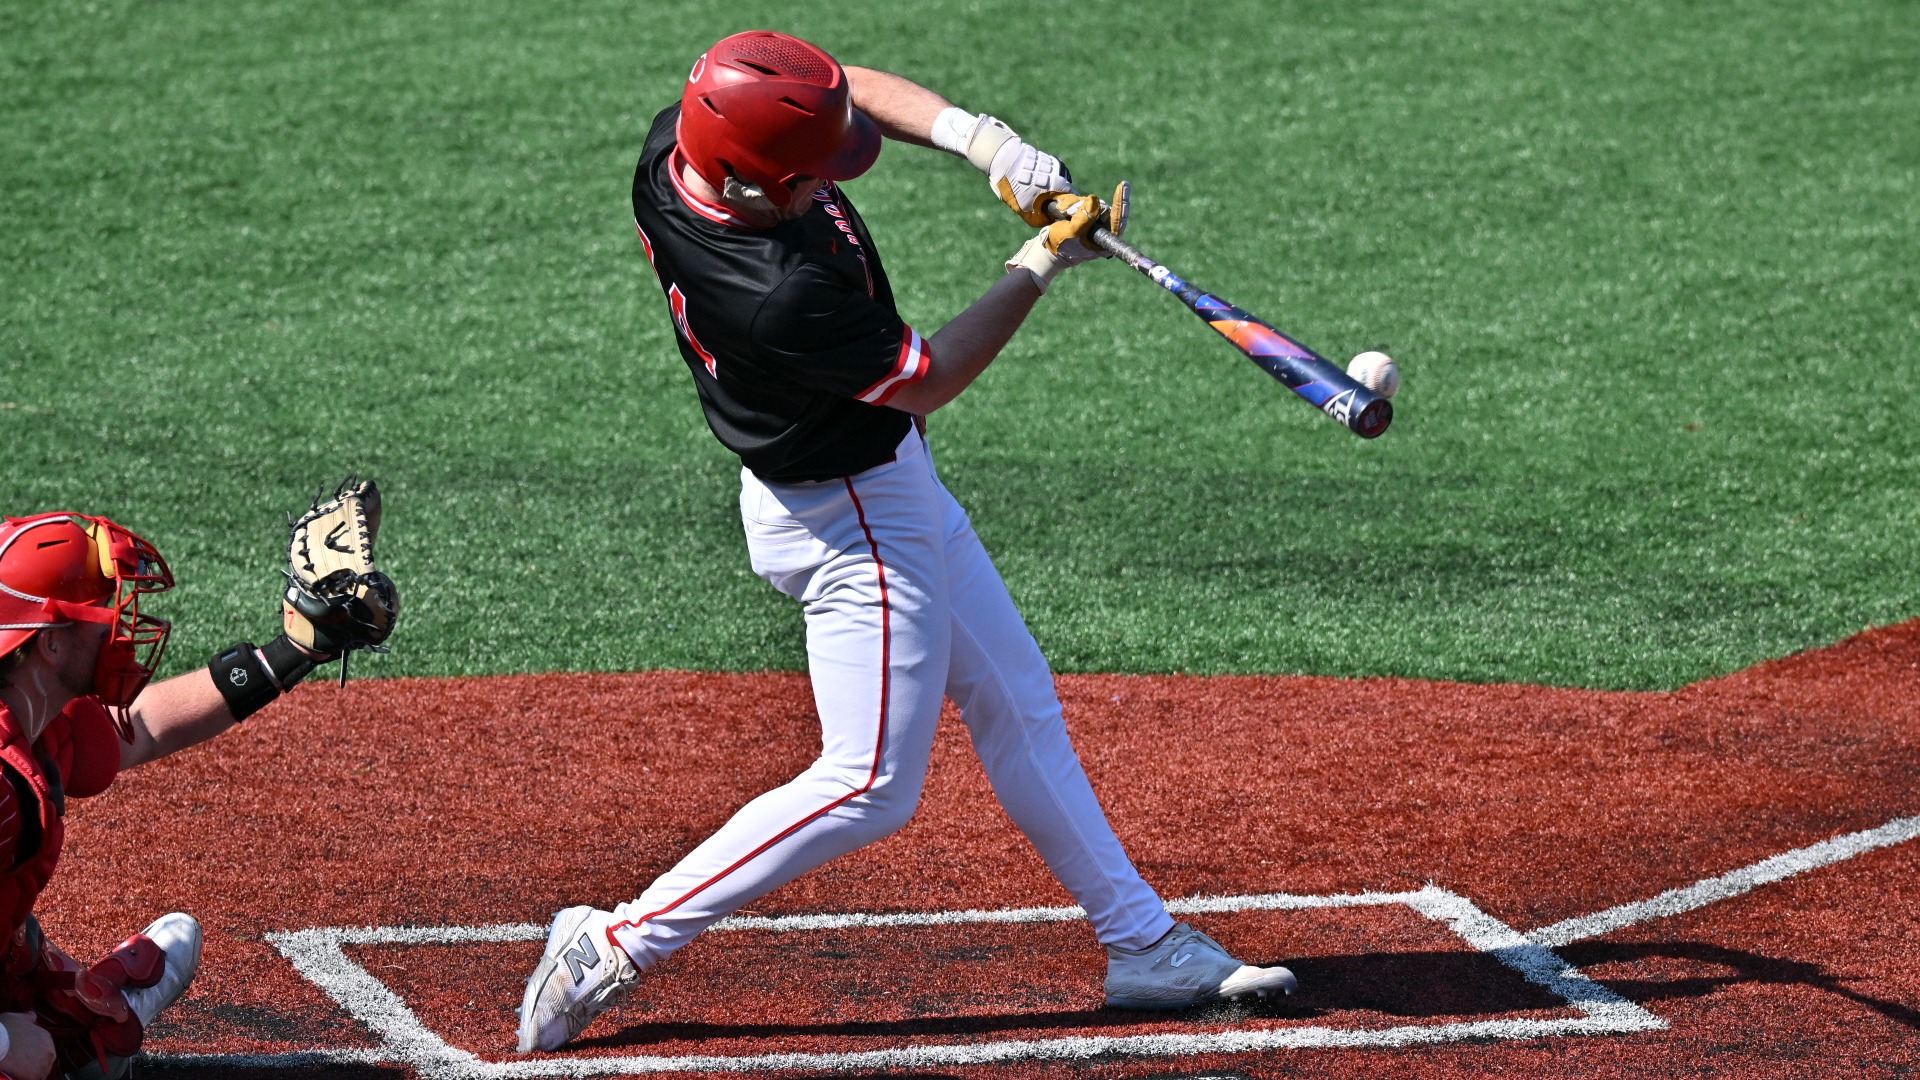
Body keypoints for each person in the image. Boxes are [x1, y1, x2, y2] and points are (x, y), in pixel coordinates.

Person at [516, 30, 1295, 1054]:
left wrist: (986, 145)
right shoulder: (771, 293)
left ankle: (1142, 943)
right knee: (870, 784)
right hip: (849, 521)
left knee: (1016, 698)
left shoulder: (686, 144)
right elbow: (927, 376)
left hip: (879, 482)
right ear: (752, 188)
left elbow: (842, 96)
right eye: (809, 176)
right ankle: (614, 942)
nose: (832, 173)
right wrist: (1042, 257)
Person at [0, 487, 394, 1079]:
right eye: (100, 613)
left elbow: (146, 726)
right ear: (49, 643)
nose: (119, 627)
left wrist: (293, 652)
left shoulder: (35, 710)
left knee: (92, 1043)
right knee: (34, 1065)